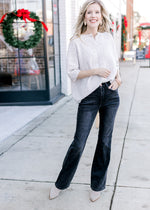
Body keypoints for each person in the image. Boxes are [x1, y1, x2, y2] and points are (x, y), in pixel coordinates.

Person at [49, 0, 122, 202]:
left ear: (101, 15)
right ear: (84, 16)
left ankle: (97, 185)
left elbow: (115, 63)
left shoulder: (108, 38)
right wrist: (95, 71)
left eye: (96, 12)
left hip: (110, 94)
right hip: (89, 96)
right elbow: (72, 72)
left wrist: (118, 79)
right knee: (79, 143)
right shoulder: (76, 41)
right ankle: (61, 183)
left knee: (105, 141)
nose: (93, 15)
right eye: (89, 12)